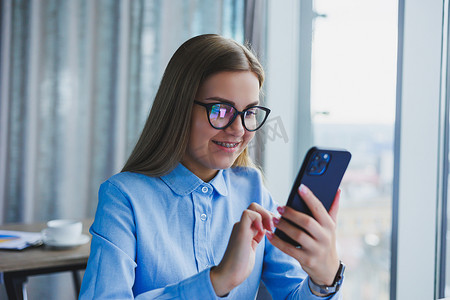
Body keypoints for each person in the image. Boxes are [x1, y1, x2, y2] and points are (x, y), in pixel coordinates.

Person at [79, 34, 344, 299]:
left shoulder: (253, 190)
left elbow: (292, 294)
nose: (238, 129)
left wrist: (323, 282)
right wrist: (218, 280)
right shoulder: (123, 197)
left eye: (249, 112)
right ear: (179, 109)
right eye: (220, 109)